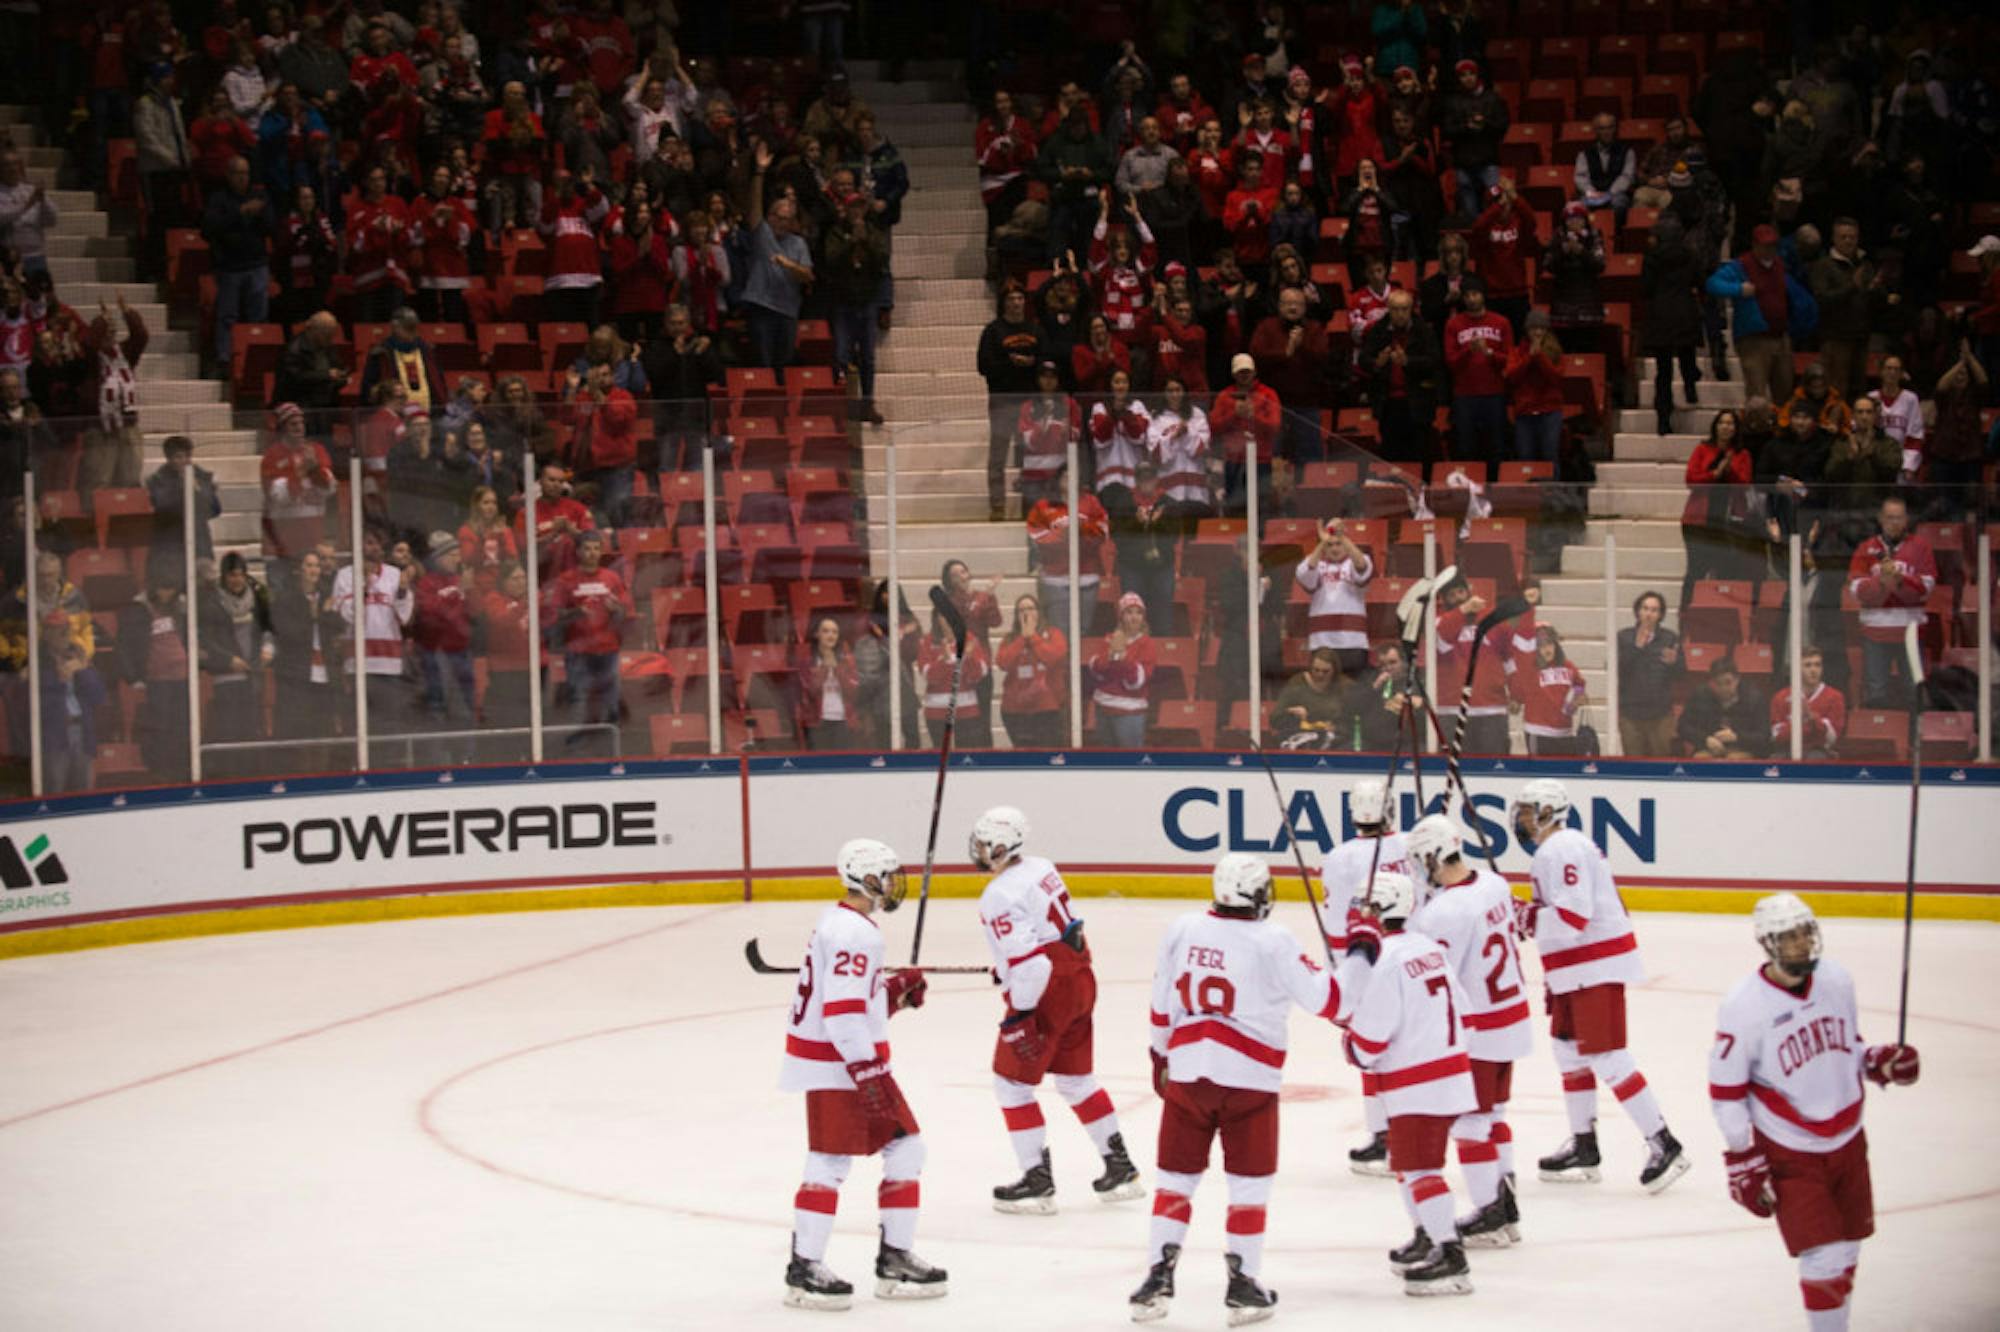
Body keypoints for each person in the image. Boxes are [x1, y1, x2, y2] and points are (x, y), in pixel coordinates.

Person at [1129, 852, 1346, 1322]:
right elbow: (1327, 1001)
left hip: (1188, 1074)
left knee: (1174, 1182)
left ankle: (1157, 1277)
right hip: (1250, 1081)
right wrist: (1349, 961)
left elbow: (1161, 1000)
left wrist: (1161, 1054)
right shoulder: (1274, 940)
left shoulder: (1183, 928)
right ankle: (1244, 1283)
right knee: (1248, 1187)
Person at [1708, 893, 1919, 1332]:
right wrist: (1741, 1157)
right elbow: (1727, 1091)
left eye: (1806, 933)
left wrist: (1878, 1061)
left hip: (1848, 1137)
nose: (1802, 944)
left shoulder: (1837, 980)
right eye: (1789, 936)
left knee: (1849, 1248)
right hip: (1789, 1148)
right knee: (1822, 1254)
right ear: (1768, 942)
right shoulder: (1743, 1006)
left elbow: (1848, 1047)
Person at [777, 837, 943, 1310]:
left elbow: (854, 1002)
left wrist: (893, 992)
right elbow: (843, 1015)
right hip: (841, 1064)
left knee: (906, 1146)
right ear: (867, 878)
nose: (894, 884)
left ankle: (894, 1257)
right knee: (831, 1160)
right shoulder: (858, 934)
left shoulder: (841, 923)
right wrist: (868, 1072)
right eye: (887, 876)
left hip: (838, 1059)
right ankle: (806, 1268)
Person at [1512, 778, 1689, 1192]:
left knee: (1608, 1056)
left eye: (1525, 810)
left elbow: (1573, 917)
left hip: (1594, 965)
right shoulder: (1554, 850)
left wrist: (1525, 918)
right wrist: (1528, 915)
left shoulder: (1564, 847)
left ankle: (1664, 1143)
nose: (1519, 819)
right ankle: (1584, 1144)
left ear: (1545, 812)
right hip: (1575, 967)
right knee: (1568, 1051)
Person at [970, 805, 1140, 1214]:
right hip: (1080, 976)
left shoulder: (998, 894)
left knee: (1012, 1084)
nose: (975, 849)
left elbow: (1035, 963)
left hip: (1047, 987)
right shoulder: (1041, 866)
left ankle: (1037, 1182)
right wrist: (1009, 968)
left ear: (1000, 846)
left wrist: (1020, 1015)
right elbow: (1052, 936)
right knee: (1076, 1079)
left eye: (982, 842)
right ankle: (1121, 1168)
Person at [1338, 868, 1480, 1295]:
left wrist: (1350, 1033)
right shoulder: (1427, 948)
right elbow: (1468, 1016)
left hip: (1417, 1085)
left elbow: (1369, 1045)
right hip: (1448, 1073)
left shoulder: (1384, 962)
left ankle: (1449, 1254)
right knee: (1406, 1162)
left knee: (1420, 1167)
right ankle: (1426, 1231)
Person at [1404, 813, 1532, 1249]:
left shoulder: (1443, 912)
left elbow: (1437, 977)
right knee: (1493, 1115)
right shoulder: (1494, 884)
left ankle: (1490, 1211)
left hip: (1479, 1028)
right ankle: (1505, 1201)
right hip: (1512, 1014)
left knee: (1469, 1124)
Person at [1312, 776, 1412, 1173]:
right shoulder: (1408, 845)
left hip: (1368, 960)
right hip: (1410, 953)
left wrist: (1342, 975)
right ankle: (1405, 1129)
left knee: (1373, 1046)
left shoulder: (1340, 857)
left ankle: (1385, 1134)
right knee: (1409, 1045)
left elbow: (1337, 925)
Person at [1708, 224, 1817, 406]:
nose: (1769, 250)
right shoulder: (1740, 266)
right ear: (1755, 245)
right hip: (1753, 339)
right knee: (1756, 394)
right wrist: (1738, 289)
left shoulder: (1780, 265)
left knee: (1785, 390)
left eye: (1772, 246)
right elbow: (1713, 283)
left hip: (1780, 336)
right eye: (1765, 245)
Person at [1843, 495, 1934, 707]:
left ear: (1906, 520)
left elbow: (1926, 590)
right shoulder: (1866, 549)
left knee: (1914, 692)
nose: (1894, 523)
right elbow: (1858, 591)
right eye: (1890, 517)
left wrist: (1900, 580)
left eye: (1899, 518)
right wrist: (1882, 583)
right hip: (1875, 631)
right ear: (1881, 519)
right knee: (1875, 692)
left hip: (1911, 631)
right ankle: (1878, 738)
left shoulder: (1921, 547)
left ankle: (1915, 738)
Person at [548, 529, 632, 747]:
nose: (592, 553)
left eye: (596, 548)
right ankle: (577, 746)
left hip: (608, 648)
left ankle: (612, 744)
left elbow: (626, 610)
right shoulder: (566, 580)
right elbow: (554, 615)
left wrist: (617, 609)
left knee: (610, 698)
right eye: (587, 548)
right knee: (580, 697)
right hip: (578, 651)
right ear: (578, 551)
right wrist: (577, 612)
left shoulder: (611, 578)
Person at [742, 153, 815, 379]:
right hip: (761, 307)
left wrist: (787, 264)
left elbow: (807, 276)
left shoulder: (798, 243)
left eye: (786, 219)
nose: (780, 222)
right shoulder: (762, 233)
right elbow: (754, 205)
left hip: (787, 311)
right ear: (770, 216)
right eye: (776, 216)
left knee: (784, 363)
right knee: (763, 363)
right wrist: (759, 172)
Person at [269, 547, 344, 756]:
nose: (314, 569)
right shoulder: (285, 599)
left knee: (323, 729)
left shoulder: (327, 595)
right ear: (299, 570)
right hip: (295, 674)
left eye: (317, 565)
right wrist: (313, 617)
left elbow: (339, 627)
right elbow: (287, 634)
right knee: (298, 731)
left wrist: (324, 614)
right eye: (309, 565)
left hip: (324, 673)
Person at [200, 156, 273, 369]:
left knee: (259, 316)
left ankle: (257, 357)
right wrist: (241, 212)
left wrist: (258, 214)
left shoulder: (259, 196)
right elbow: (209, 228)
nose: (243, 178)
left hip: (257, 264)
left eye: (246, 173)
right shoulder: (219, 199)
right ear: (229, 175)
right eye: (238, 173)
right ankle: (224, 357)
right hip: (230, 267)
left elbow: (270, 226)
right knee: (227, 316)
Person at [1680, 409, 1753, 609]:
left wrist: (1729, 472)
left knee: (1727, 570)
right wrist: (1715, 473)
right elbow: (1691, 480)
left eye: (1731, 423)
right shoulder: (1703, 449)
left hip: (1729, 520)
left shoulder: (1742, 454)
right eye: (1722, 422)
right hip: (1698, 520)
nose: (1726, 427)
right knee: (1696, 569)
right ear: (1715, 426)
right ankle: (1686, 617)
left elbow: (1745, 484)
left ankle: (1721, 621)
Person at [1640, 214, 1705, 438]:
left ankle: (1663, 420)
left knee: (1663, 371)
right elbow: (1699, 280)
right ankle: (1690, 386)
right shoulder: (1690, 255)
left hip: (1660, 314)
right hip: (1685, 310)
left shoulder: (1651, 258)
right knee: (1687, 354)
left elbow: (1646, 288)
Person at [1360, 290, 1441, 465]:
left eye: (1404, 309)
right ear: (1388, 309)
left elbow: (1434, 361)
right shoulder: (1378, 330)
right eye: (1395, 309)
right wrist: (1377, 362)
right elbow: (1363, 360)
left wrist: (1408, 362)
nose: (1400, 314)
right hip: (1388, 404)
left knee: (1418, 455)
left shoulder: (1423, 331)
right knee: (1391, 455)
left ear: (1411, 309)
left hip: (1418, 403)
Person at [1443, 279, 1511, 469]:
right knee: (1466, 448)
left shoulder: (1501, 322)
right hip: (1465, 396)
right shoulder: (1453, 325)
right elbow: (1450, 361)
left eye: (1475, 294)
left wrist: (1488, 352)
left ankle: (1497, 490)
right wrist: (1469, 350)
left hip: (1494, 394)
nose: (1472, 299)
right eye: (1467, 296)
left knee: (1496, 447)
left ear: (1483, 295)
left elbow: (1509, 360)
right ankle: (1470, 492)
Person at [1294, 519, 1374, 677]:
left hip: (1353, 642)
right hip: (1322, 643)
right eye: (1330, 545)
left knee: (1353, 692)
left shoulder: (1357, 559)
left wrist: (1342, 537)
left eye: (1338, 543)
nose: (1335, 548)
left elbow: (1362, 567)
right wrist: (1322, 543)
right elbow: (1305, 574)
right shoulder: (1314, 562)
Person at [1616, 591, 1682, 756]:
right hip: (1630, 713)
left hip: (1660, 714)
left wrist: (1675, 663)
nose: (1648, 614)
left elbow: (1681, 674)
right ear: (1638, 611)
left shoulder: (1670, 638)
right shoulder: (1623, 637)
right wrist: (1636, 647)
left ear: (1660, 615)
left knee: (1661, 765)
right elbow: (1617, 669)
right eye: (1645, 608)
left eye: (1654, 610)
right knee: (1633, 767)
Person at [996, 596, 1067, 750]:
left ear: (1039, 612)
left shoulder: (1054, 634)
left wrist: (1033, 637)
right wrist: (1022, 638)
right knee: (1023, 758)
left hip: (1047, 709)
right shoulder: (1010, 639)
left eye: (1030, 608)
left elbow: (1053, 657)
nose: (1026, 613)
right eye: (1021, 610)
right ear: (1016, 615)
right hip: (1015, 711)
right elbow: (1003, 663)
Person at [1087, 591, 1155, 748]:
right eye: (1129, 612)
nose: (1134, 617)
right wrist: (1112, 656)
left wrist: (1121, 657)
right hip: (1103, 708)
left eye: (1138, 613)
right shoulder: (1109, 638)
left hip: (1129, 713)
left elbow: (1136, 682)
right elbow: (1097, 671)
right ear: (1121, 616)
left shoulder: (1147, 644)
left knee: (1129, 762)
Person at [1515, 624, 1589, 756]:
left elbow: (1579, 685)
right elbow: (1518, 695)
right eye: (1541, 645)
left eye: (1549, 644)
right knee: (1541, 775)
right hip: (1538, 733)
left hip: (1565, 733)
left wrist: (1577, 698)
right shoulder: (1529, 669)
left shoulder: (1568, 666)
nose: (1546, 649)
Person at [1678, 658, 1770, 759]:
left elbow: (1764, 736)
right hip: (1708, 748)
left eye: (1728, 682)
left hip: (1742, 748)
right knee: (1700, 758)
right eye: (1718, 683)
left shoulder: (1754, 698)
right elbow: (1682, 727)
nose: (1723, 688)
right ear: (1710, 682)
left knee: (1733, 759)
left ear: (1737, 680)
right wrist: (1705, 739)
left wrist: (1737, 737)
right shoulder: (1700, 696)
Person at [1505, 312, 1566, 463]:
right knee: (1525, 456)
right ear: (1527, 330)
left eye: (1541, 328)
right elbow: (1512, 376)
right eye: (1534, 328)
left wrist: (1539, 357)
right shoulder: (1516, 352)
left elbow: (1556, 378)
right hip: (1525, 411)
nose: (1538, 332)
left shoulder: (1556, 351)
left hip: (1550, 411)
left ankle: (1552, 486)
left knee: (1549, 454)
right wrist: (1529, 358)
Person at [1771, 644, 1847, 759]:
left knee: (1815, 757)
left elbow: (1833, 738)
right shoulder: (1781, 697)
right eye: (1807, 665)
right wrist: (1800, 722)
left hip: (1819, 752)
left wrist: (1812, 719)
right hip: (1787, 750)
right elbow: (1777, 736)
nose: (1813, 670)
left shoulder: (1835, 697)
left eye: (1817, 665)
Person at [1272, 648, 1350, 747]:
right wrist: (1290, 711)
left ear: (1335, 671)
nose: (1320, 674)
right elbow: (1275, 718)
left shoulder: (1345, 686)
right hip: (1300, 736)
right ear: (1310, 667)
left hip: (1336, 739)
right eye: (1316, 670)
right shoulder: (1297, 683)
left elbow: (1354, 719)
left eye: (1326, 671)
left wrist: (1337, 727)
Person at [1573, 113, 1637, 217]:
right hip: (1592, 194)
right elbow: (1581, 177)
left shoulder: (1627, 152)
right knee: (1579, 207)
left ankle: (1617, 233)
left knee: (1619, 203)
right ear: (1596, 131)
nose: (1606, 132)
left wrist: (1610, 193)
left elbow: (1627, 177)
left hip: (1616, 193)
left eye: (1610, 128)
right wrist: (1592, 193)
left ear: (1615, 129)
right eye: (1602, 128)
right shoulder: (1584, 153)